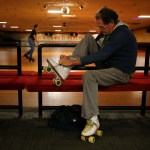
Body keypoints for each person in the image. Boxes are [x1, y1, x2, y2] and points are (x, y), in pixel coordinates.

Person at [47, 7, 138, 137]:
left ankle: (92, 119)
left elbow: (102, 54)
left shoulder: (122, 33)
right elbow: (91, 49)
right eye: (99, 27)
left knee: (89, 76)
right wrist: (70, 59)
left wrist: (73, 62)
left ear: (112, 23)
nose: (100, 30)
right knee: (89, 38)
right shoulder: (108, 31)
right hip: (107, 66)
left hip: (121, 72)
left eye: (102, 27)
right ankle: (65, 69)